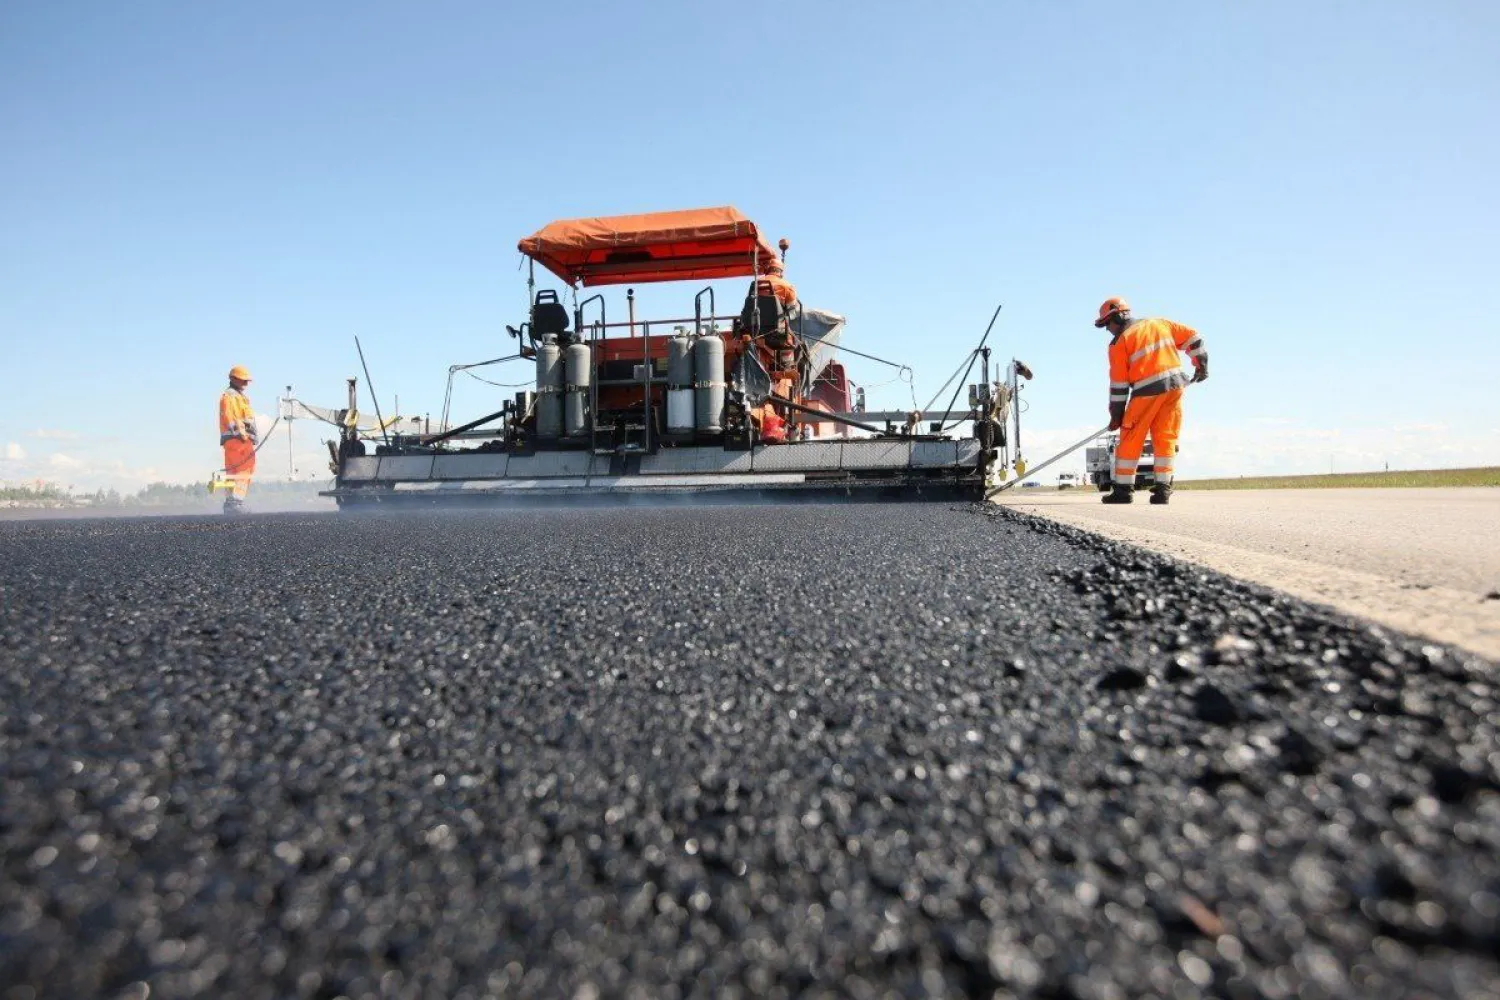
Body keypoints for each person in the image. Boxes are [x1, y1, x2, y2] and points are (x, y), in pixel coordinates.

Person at [1095, 297, 1208, 505]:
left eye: (1107, 324)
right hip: (1174, 388)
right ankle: (1163, 490)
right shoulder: (1159, 323)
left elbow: (1119, 386)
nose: (1108, 330)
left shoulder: (1119, 343)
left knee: (1130, 436)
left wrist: (1116, 417)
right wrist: (1201, 364)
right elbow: (1194, 337)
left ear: (1118, 317)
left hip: (1147, 392)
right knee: (1165, 437)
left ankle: (1123, 490)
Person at [219, 365, 258, 513]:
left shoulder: (237, 396)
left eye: (246, 381)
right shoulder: (231, 397)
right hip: (239, 441)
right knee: (245, 469)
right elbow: (231, 418)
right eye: (243, 380)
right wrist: (243, 435)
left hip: (233, 442)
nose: (246, 384)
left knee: (233, 472)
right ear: (233, 379)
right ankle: (236, 502)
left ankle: (230, 504)